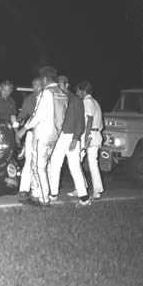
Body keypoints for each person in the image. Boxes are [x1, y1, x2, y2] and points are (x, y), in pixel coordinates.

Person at [16, 66, 68, 206]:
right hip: (54, 135)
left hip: (42, 134)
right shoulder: (62, 94)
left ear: (45, 79)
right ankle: (36, 195)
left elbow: (38, 115)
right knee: (42, 166)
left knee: (38, 167)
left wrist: (23, 130)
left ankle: (43, 199)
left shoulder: (46, 93)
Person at [47, 76, 90, 207]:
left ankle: (84, 197)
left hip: (71, 136)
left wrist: (76, 139)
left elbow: (81, 123)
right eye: (57, 84)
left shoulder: (76, 100)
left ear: (67, 85)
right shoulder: (56, 98)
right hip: (59, 137)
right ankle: (53, 194)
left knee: (74, 166)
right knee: (54, 164)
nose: (58, 87)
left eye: (60, 84)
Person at [76, 80, 104, 199]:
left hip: (89, 135)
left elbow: (90, 119)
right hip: (96, 134)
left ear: (83, 91)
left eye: (78, 91)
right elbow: (100, 123)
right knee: (93, 163)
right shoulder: (95, 102)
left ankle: (81, 188)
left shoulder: (87, 101)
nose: (77, 93)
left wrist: (86, 137)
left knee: (76, 162)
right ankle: (97, 190)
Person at [16, 77, 43, 199]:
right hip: (31, 133)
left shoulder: (46, 98)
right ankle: (23, 190)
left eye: (37, 85)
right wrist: (18, 121)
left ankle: (37, 190)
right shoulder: (29, 99)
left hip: (44, 134)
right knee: (28, 161)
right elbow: (23, 115)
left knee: (40, 163)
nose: (35, 88)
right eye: (33, 85)